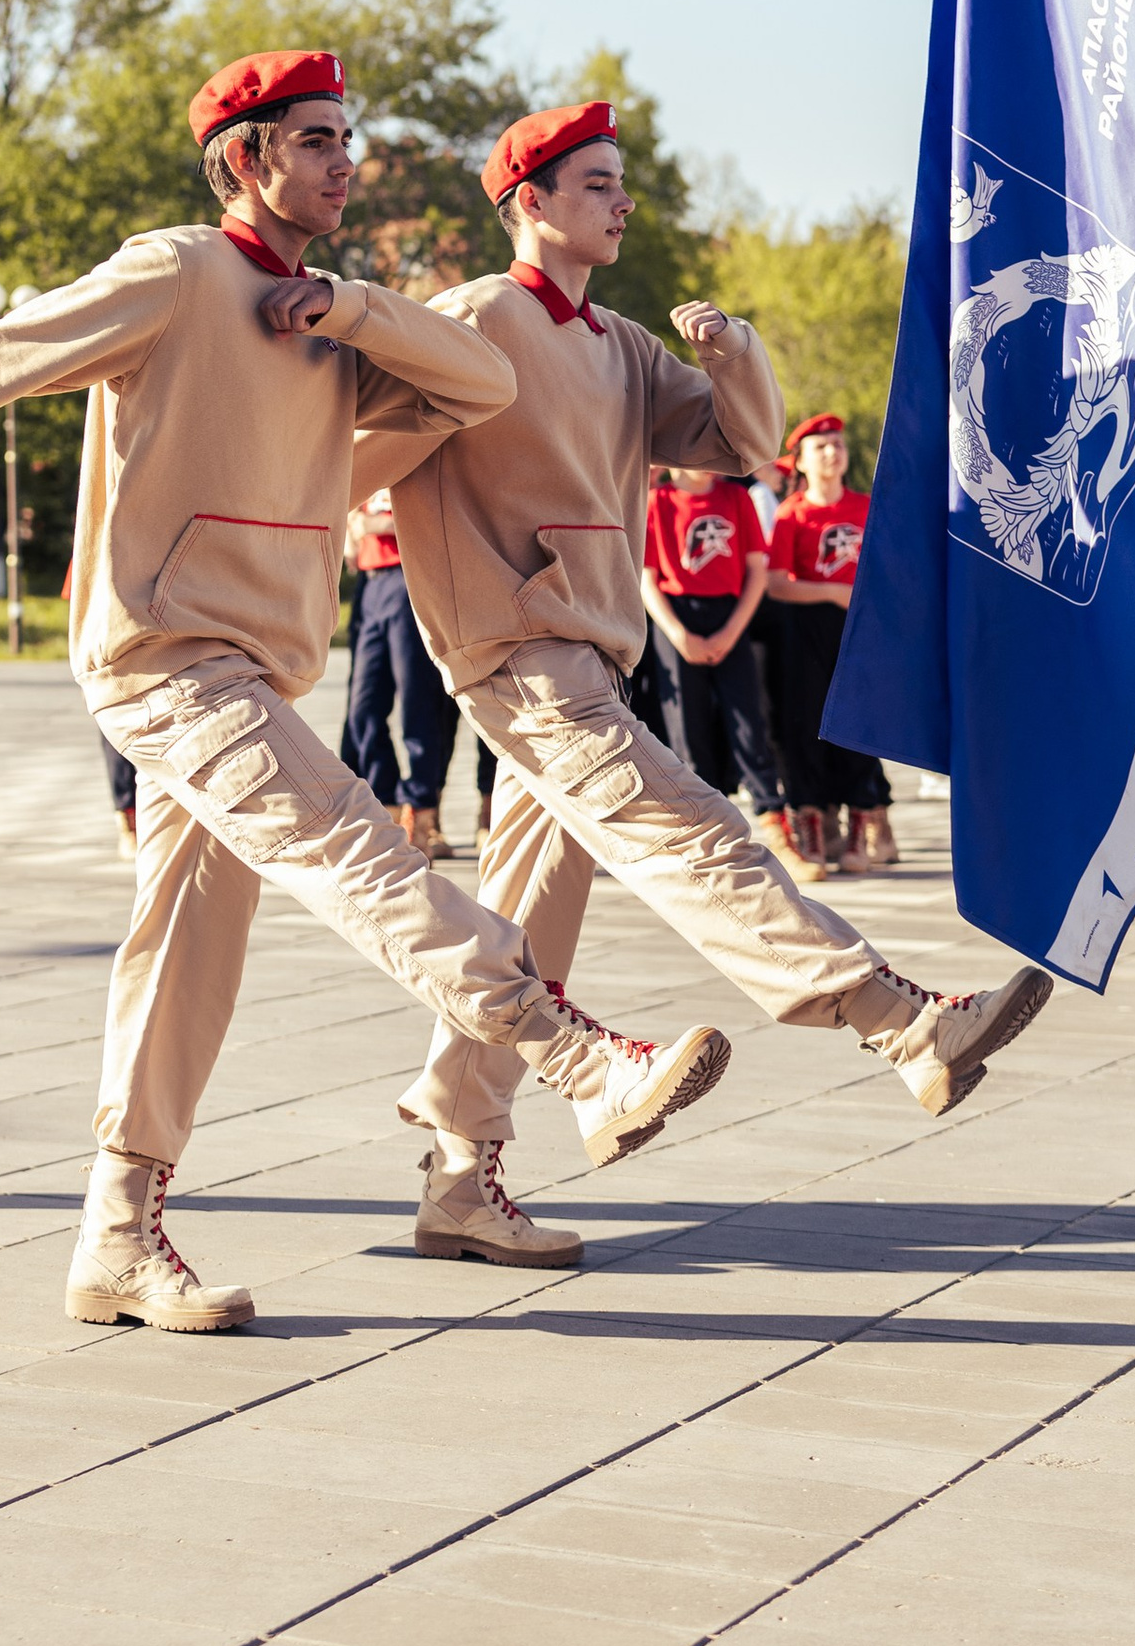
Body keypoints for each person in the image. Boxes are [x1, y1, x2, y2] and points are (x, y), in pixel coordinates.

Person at [0, 49, 738, 1336]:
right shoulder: (172, 274)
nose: (343, 162)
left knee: (186, 951)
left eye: (346, 139)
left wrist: (352, 312)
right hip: (164, 657)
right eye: (315, 141)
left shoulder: (330, 320)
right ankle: (578, 1055)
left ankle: (118, 1236)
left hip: (256, 667)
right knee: (359, 851)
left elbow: (484, 383)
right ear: (245, 158)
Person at [364, 104, 1052, 1268]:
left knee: (522, 929)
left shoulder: (622, 344)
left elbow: (742, 449)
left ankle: (455, 1173)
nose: (622, 200)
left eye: (620, 181)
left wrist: (734, 353)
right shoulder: (472, 317)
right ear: (529, 200)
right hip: (516, 654)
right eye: (594, 183)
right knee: (697, 833)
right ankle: (900, 1022)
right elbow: (356, 443)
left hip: (586, 650)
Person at [765, 415, 898, 870]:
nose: (832, 452)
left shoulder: (867, 506)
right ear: (799, 461)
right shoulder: (792, 514)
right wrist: (831, 592)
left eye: (838, 444)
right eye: (820, 447)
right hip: (807, 631)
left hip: (862, 629)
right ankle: (814, 829)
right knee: (807, 724)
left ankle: (863, 824)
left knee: (862, 721)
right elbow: (777, 584)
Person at [644, 458, 788, 859]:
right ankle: (704, 829)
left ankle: (773, 818)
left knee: (748, 720)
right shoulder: (658, 502)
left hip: (730, 612)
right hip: (676, 616)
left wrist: (731, 630)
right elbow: (647, 577)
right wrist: (677, 634)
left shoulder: (736, 498)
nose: (706, 463)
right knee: (686, 727)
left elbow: (756, 570)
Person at [342, 486, 459, 852]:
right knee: (363, 708)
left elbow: (434, 515)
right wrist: (355, 528)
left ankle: (422, 812)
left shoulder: (406, 447)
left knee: (417, 703)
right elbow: (352, 527)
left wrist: (371, 524)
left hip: (409, 580)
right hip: (370, 582)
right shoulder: (365, 456)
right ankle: (385, 803)